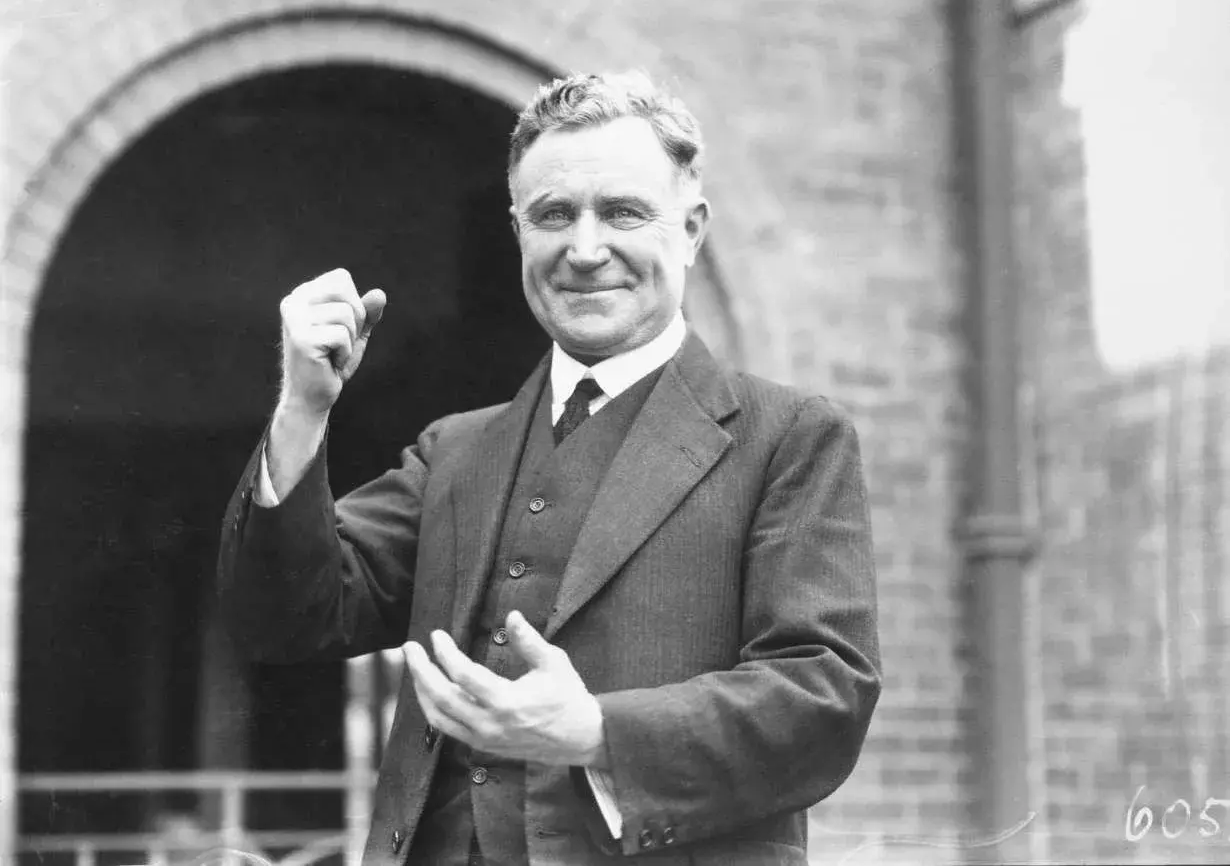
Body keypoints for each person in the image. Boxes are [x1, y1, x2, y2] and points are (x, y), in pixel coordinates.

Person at [218, 70, 881, 866]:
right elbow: (287, 616)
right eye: (554, 215)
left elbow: (824, 696)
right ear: (519, 230)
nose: (586, 248)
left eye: (624, 212)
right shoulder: (455, 451)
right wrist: (303, 409)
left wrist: (598, 733)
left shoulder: (789, 438)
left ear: (693, 228)